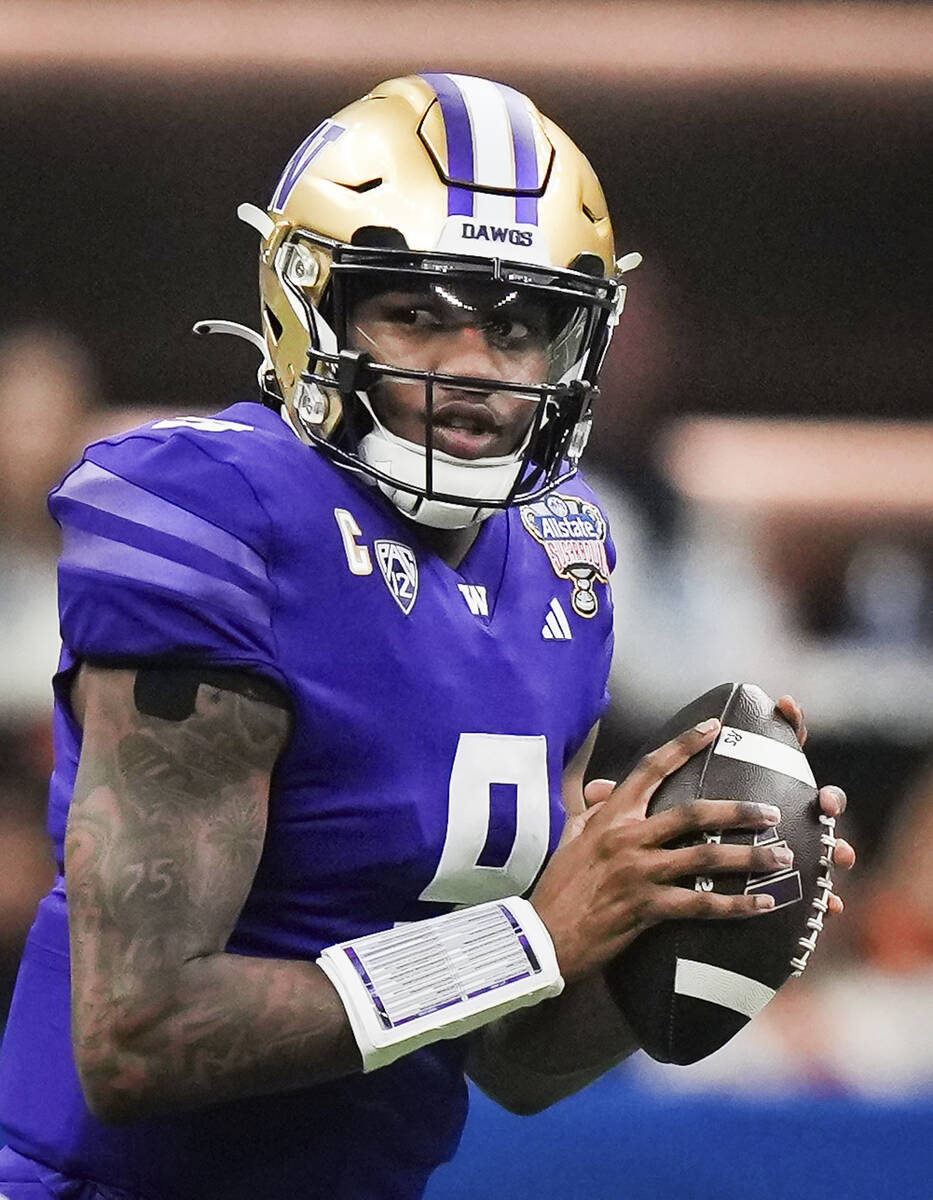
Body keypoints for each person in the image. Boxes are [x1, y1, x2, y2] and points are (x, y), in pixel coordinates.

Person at [0, 73, 854, 1200]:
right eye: (415, 310)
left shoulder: (566, 560)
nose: (471, 369)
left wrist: (677, 924)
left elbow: (512, 1062)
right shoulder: (212, 508)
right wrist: (532, 942)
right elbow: (138, 1039)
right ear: (315, 306)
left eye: (518, 323)